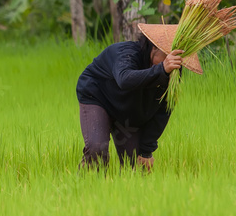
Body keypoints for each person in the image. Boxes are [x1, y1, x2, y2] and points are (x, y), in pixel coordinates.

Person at [75, 23, 201, 171]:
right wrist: (161, 69)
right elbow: (125, 79)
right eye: (167, 55)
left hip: (127, 111)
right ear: (154, 47)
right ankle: (87, 188)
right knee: (97, 148)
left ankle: (121, 193)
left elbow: (163, 111)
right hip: (99, 98)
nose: (171, 61)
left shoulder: (171, 73)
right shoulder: (126, 53)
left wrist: (146, 150)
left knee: (136, 165)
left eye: (176, 58)